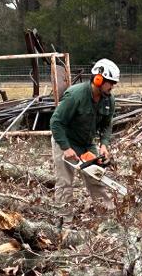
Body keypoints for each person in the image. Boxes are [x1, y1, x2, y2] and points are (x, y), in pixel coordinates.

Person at [49, 58, 120, 214]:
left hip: (86, 143)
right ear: (99, 79)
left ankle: (106, 215)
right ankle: (63, 221)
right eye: (111, 83)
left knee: (96, 177)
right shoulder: (76, 95)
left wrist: (104, 144)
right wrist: (66, 148)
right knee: (65, 183)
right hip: (65, 140)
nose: (113, 87)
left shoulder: (109, 100)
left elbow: (107, 124)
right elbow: (56, 122)